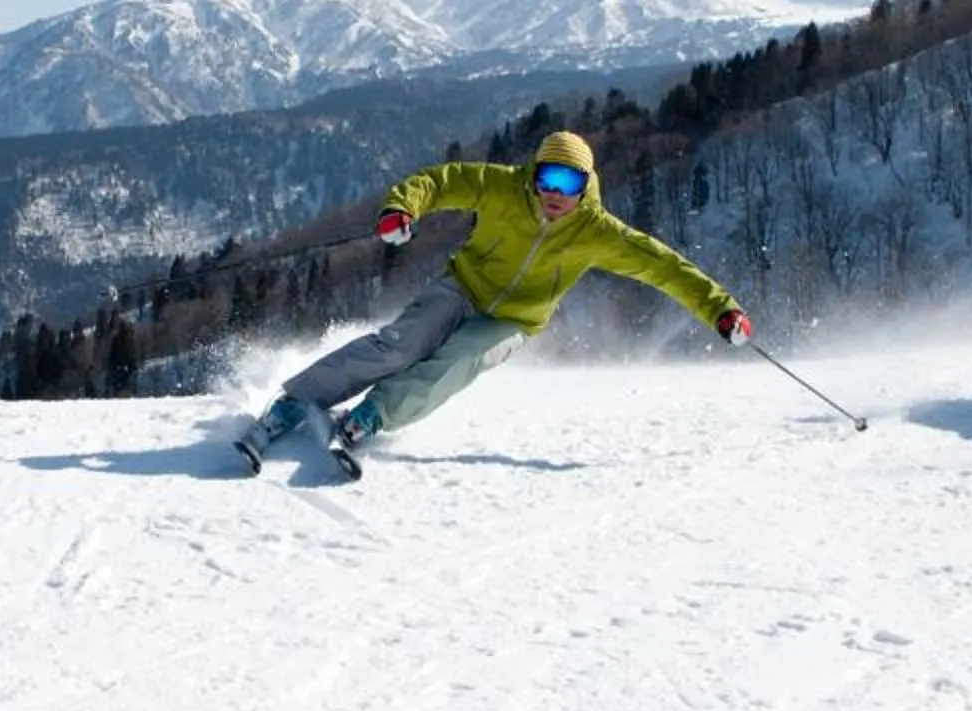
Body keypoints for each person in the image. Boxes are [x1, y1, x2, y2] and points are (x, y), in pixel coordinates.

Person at [238, 130, 752, 466]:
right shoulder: (502, 187)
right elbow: (439, 182)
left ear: (586, 185)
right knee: (401, 345)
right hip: (463, 286)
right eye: (547, 177)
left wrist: (721, 310)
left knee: (457, 361)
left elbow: (665, 268)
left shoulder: (597, 232)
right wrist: (402, 209)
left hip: (514, 319)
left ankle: (370, 417)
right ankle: (294, 403)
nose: (555, 192)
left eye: (568, 181)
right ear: (534, 175)